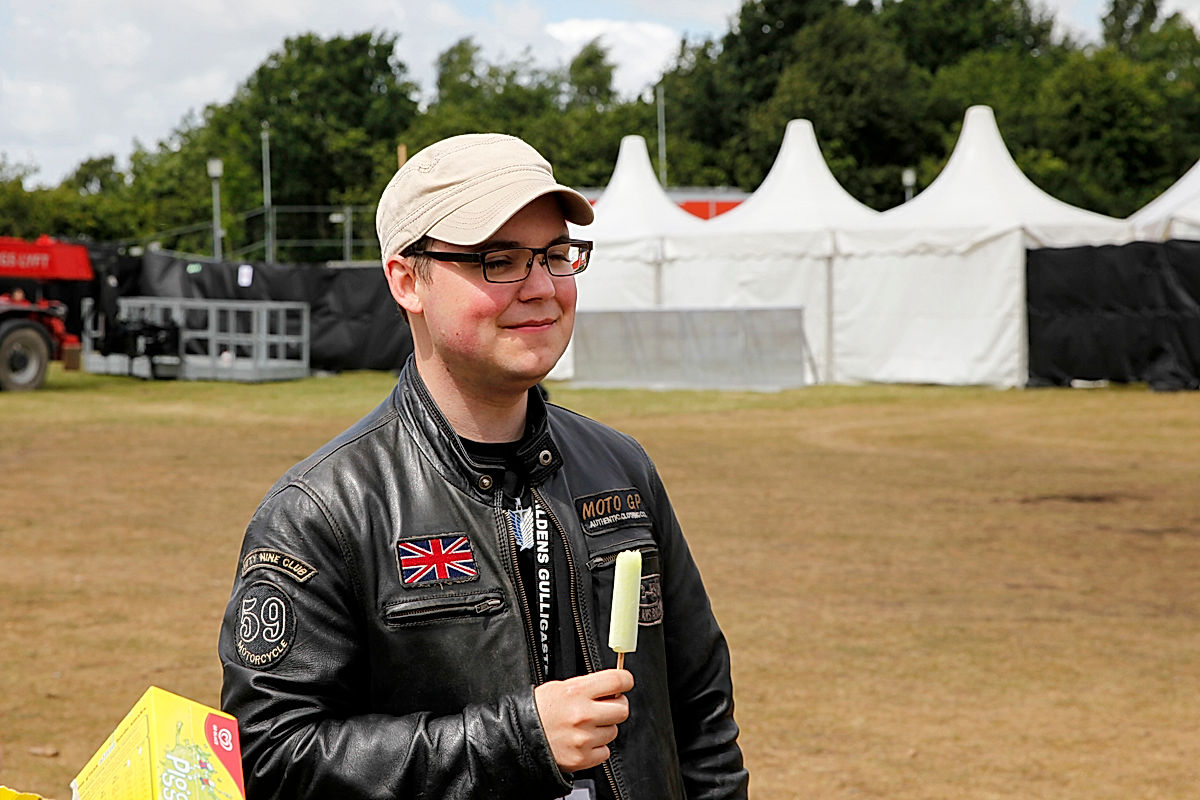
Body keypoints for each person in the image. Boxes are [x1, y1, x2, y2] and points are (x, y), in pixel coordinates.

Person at [219, 132, 748, 800]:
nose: (542, 288)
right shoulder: (323, 509)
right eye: (499, 260)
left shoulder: (621, 470)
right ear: (407, 279)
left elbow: (701, 713)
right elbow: (269, 757)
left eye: (556, 256)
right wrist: (517, 740)